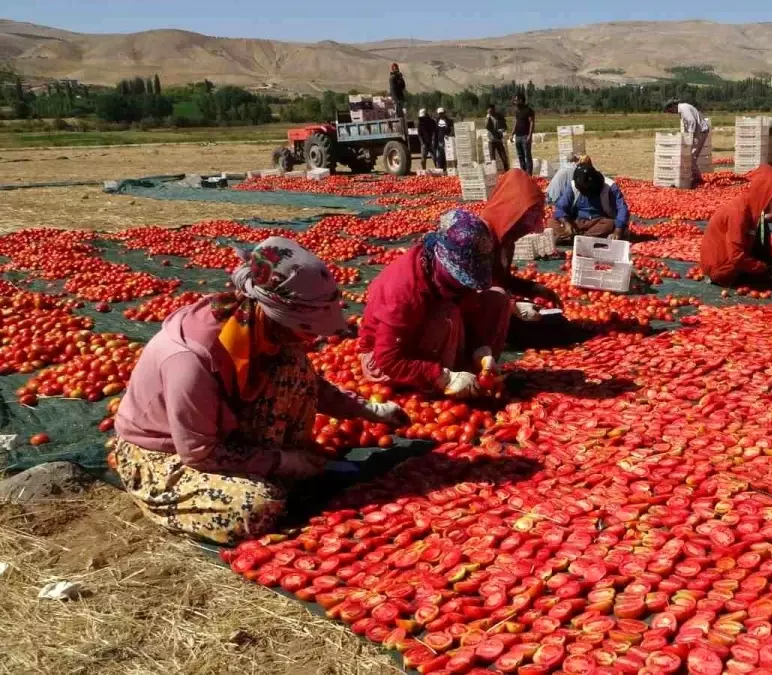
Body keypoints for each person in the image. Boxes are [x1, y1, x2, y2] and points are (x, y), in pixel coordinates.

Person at [110, 237, 408, 545]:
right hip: (168, 454)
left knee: (292, 364)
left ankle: (279, 471)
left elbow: (309, 385)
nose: (312, 340)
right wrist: (284, 462)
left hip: (221, 437)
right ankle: (163, 499)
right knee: (256, 507)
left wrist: (369, 410)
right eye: (306, 329)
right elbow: (199, 452)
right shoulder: (190, 359)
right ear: (277, 315)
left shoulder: (261, 328)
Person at [359, 215, 509, 399]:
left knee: (497, 298)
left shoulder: (443, 276)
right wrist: (442, 377)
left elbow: (469, 304)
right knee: (447, 313)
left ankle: (471, 373)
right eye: (462, 277)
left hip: (426, 338)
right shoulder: (404, 289)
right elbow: (387, 360)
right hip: (384, 362)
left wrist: (481, 350)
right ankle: (444, 380)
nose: (466, 285)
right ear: (445, 264)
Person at [479, 171, 563, 328]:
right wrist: (512, 306)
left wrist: (536, 289)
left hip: (498, 307)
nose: (531, 228)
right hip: (476, 317)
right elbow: (472, 293)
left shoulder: (507, 239)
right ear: (512, 211)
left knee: (556, 326)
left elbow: (504, 280)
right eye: (527, 220)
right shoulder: (480, 238)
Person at [700, 165, 772, 288]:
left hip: (733, 260)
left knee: (763, 225)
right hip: (722, 269)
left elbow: (760, 242)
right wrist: (764, 268)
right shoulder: (739, 212)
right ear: (765, 194)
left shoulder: (753, 208)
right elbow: (736, 257)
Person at [552, 159, 630, 243]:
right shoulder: (573, 186)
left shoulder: (609, 187)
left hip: (599, 221)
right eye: (584, 191)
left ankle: (577, 238)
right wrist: (566, 223)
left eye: (590, 190)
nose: (588, 193)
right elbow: (561, 207)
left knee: (610, 225)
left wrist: (618, 230)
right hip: (577, 221)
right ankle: (585, 238)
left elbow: (622, 209)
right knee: (552, 222)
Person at [665, 99, 710, 184]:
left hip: (700, 132)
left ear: (673, 106)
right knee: (690, 156)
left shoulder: (684, 109)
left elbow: (691, 122)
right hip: (698, 132)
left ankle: (697, 180)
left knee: (691, 157)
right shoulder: (683, 108)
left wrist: (689, 138)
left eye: (670, 110)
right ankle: (694, 177)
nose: (671, 113)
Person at [511, 93, 536, 173]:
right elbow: (516, 122)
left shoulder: (528, 110)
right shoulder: (517, 111)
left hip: (525, 136)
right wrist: (512, 134)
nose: (514, 102)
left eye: (516, 100)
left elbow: (532, 122)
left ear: (521, 100)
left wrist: (530, 135)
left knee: (527, 156)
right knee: (520, 156)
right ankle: (523, 173)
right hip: (518, 136)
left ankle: (529, 175)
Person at [486, 103, 510, 172]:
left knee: (503, 157)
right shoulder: (488, 117)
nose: (491, 113)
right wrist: (488, 117)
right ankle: (493, 172)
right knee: (492, 158)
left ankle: (507, 171)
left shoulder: (500, 116)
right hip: (491, 140)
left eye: (492, 111)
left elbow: (505, 127)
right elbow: (486, 126)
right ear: (488, 111)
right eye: (490, 112)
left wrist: (502, 129)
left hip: (498, 139)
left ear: (494, 110)